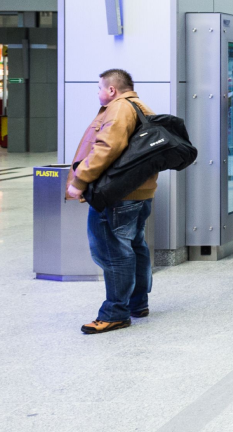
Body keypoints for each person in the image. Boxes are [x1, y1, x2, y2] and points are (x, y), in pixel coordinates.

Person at [67, 69, 156, 334]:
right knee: (135, 246)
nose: (98, 93)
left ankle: (115, 312)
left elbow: (106, 148)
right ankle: (137, 303)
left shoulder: (117, 109)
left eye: (99, 88)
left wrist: (79, 180)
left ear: (112, 90)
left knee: (113, 252)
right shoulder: (141, 107)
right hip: (140, 193)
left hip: (117, 196)